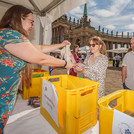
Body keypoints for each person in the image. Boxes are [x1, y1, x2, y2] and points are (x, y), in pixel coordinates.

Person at [0, 5, 75, 133]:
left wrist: (61, 44)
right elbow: (40, 58)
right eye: (31, 22)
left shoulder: (10, 35)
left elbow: (40, 48)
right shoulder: (9, 34)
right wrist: (65, 63)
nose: (33, 26)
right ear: (19, 19)